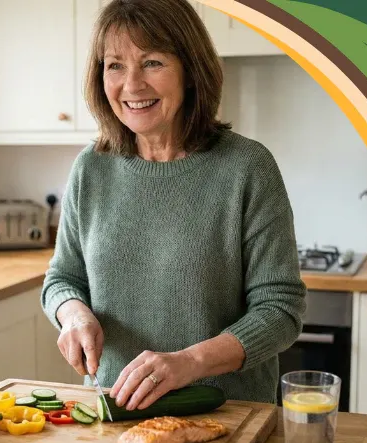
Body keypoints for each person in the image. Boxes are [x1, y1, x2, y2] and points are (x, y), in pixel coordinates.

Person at [40, 0, 306, 411]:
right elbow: (62, 279)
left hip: (228, 416)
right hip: (113, 411)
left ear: (190, 70)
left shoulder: (247, 167)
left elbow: (280, 310)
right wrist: (73, 315)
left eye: (152, 63)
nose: (132, 85)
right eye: (115, 65)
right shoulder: (91, 168)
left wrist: (189, 363)